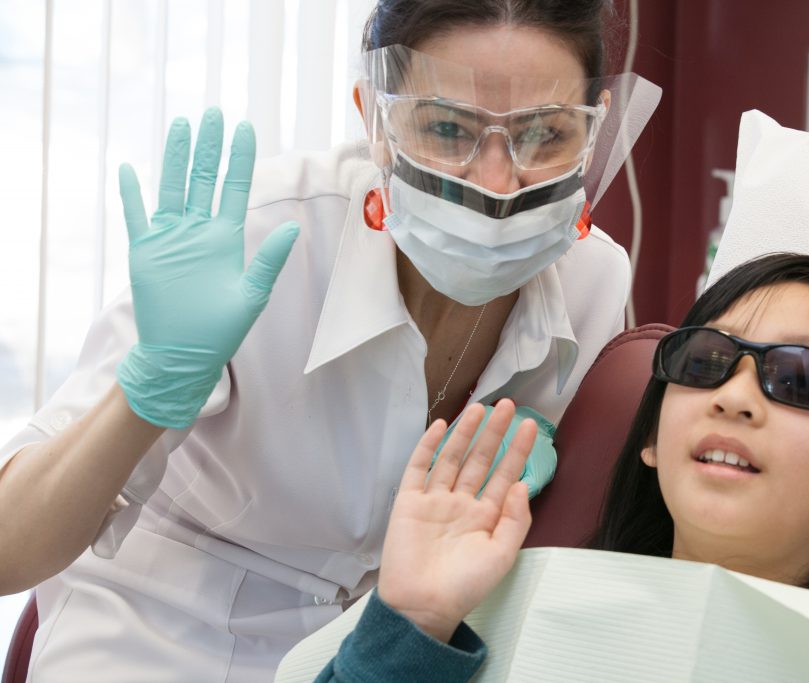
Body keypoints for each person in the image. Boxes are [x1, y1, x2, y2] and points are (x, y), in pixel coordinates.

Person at [0, 2, 657, 680]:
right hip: (155, 641)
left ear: (594, 127)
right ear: (375, 118)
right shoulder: (256, 239)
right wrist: (152, 386)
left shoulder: (591, 284)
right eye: (446, 128)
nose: (495, 183)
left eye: (544, 134)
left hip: (380, 654)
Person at [310, 253, 809, 682]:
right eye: (706, 361)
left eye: (802, 379)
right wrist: (413, 623)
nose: (734, 397)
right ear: (653, 435)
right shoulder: (468, 628)